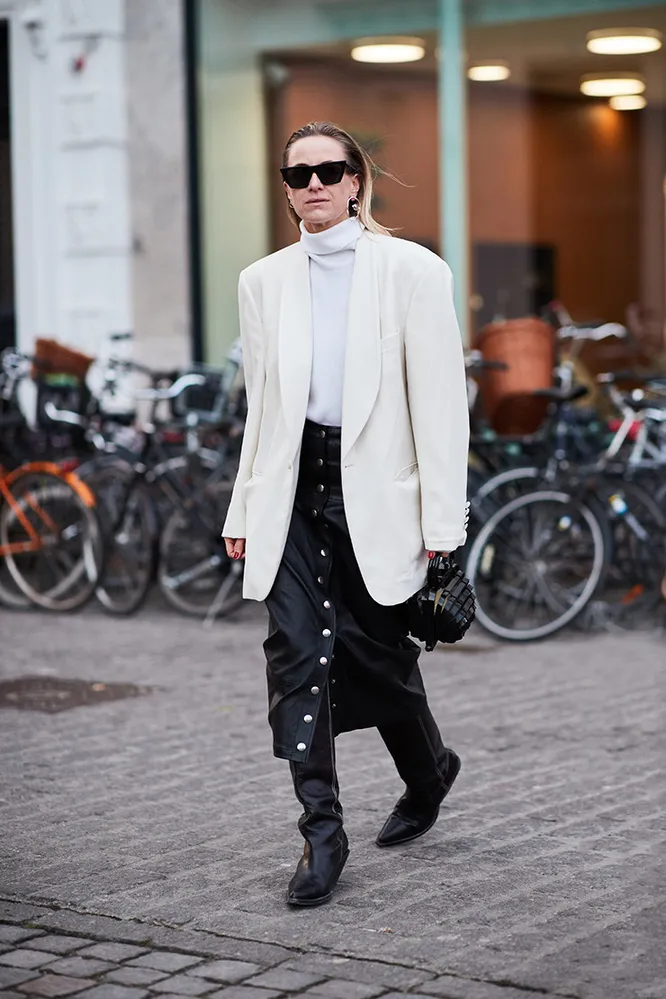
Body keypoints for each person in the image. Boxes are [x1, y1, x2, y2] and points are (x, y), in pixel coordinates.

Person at [223, 120, 470, 908]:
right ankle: (322, 830)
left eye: (330, 170)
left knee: (375, 655)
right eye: (298, 175)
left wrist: (444, 528)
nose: (315, 185)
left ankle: (428, 774)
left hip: (378, 496)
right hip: (291, 494)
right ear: (287, 190)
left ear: (356, 180)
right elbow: (263, 409)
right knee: (297, 654)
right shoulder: (262, 281)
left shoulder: (412, 271)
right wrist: (243, 505)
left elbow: (441, 409)